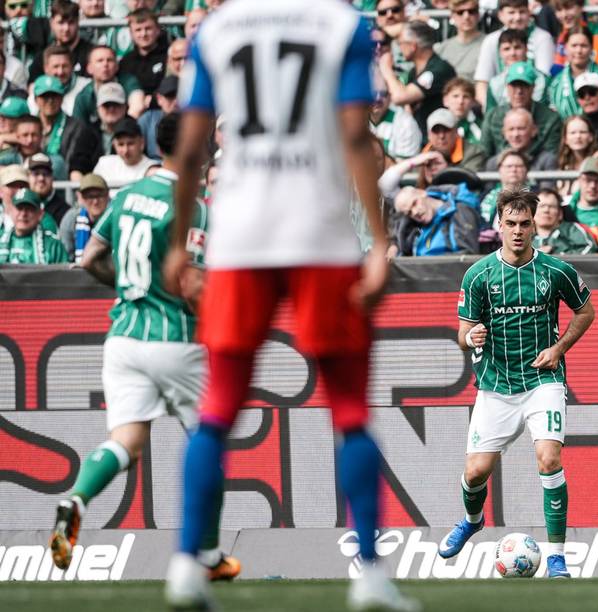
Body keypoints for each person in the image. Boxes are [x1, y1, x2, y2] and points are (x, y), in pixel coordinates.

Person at [161, 1, 414, 609]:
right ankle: (372, 576)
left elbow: (191, 146)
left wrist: (177, 245)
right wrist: (379, 242)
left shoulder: (218, 27)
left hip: (240, 232)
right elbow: (355, 133)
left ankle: (186, 566)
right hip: (319, 231)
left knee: (218, 405)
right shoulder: (343, 24)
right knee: (350, 410)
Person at [48, 113, 240, 584]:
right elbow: (193, 283)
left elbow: (91, 257)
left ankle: (75, 498)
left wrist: (135, 286)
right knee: (208, 444)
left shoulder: (129, 195)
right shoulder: (191, 206)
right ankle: (210, 555)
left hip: (123, 337)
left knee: (127, 442)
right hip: (174, 339)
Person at [440, 187, 595, 579]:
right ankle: (473, 520)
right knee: (475, 473)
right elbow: (462, 331)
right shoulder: (479, 274)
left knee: (549, 458)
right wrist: (471, 335)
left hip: (543, 380)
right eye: (510, 223)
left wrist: (559, 349)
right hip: (494, 386)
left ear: (534, 226)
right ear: (499, 224)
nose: (518, 231)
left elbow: (586, 312)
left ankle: (557, 556)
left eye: (525, 223)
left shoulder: (555, 270)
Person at [378, 20, 457, 136]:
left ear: (413, 46)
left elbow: (400, 97)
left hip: (439, 137)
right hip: (418, 137)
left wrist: (386, 69)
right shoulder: (413, 72)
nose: (399, 48)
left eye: (401, 43)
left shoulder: (439, 69)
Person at [473, 0, 555, 105]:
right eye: (511, 12)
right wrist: (490, 111)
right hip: (500, 103)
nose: (517, 18)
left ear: (529, 12)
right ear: (500, 15)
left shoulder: (543, 37)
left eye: (522, 12)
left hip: (534, 101)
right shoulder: (491, 40)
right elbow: (482, 82)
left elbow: (544, 79)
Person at [481, 66, 562, 160]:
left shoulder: (550, 118)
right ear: (507, 87)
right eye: (514, 86)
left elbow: (551, 155)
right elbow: (484, 153)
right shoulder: (493, 116)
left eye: (524, 86)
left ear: (533, 88)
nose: (519, 91)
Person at [33, 74, 101, 180]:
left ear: (62, 98)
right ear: (35, 99)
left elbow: (75, 162)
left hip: (63, 182)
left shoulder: (77, 127)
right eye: (45, 96)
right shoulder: (29, 126)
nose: (50, 101)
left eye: (54, 96)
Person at [392, 184, 481, 255]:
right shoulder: (412, 226)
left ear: (422, 192)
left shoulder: (460, 211)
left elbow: (467, 256)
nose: (415, 212)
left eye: (414, 203)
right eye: (409, 213)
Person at [71, 45, 145, 129]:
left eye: (109, 60)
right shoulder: (83, 96)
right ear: (89, 68)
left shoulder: (128, 81)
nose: (105, 64)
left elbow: (138, 105)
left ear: (117, 66)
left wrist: (123, 130)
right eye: (100, 61)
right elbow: (77, 128)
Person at [548, 28, 598, 119]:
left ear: (591, 48)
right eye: (574, 46)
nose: (579, 51)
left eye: (584, 46)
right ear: (566, 48)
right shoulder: (556, 83)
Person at [485, 29, 550, 111]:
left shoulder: (543, 80)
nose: (512, 53)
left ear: (526, 49)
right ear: (500, 53)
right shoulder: (494, 84)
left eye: (517, 47)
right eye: (507, 49)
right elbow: (490, 117)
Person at [29, 0, 93, 81]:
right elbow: (32, 87)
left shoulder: (91, 54)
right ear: (52, 23)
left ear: (78, 22)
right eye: (61, 23)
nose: (66, 28)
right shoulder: (42, 56)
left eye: (71, 22)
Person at [0, 187, 68, 263]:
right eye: (19, 208)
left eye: (29, 209)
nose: (23, 214)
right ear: (10, 212)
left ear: (40, 214)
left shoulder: (53, 245)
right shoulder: (1, 238)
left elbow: (64, 274)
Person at [117, 8, 169, 98]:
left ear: (158, 30)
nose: (143, 34)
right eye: (138, 30)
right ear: (131, 34)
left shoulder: (169, 56)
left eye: (148, 28)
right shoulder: (126, 61)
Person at [533, 186, 598, 254]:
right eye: (541, 206)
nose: (546, 210)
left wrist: (558, 256)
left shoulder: (571, 230)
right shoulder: (526, 234)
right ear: (532, 213)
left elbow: (589, 248)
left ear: (560, 214)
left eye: (552, 206)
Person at [551, 0, 598, 76]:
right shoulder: (562, 33)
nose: (564, 14)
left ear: (581, 6)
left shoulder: (597, 32)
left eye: (569, 8)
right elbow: (558, 67)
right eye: (559, 10)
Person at [59, 172, 108, 260]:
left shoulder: (115, 217)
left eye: (99, 195)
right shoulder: (71, 219)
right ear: (80, 198)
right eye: (90, 196)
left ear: (107, 195)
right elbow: (66, 257)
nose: (95, 201)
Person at [93, 116, 156, 185]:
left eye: (130, 144)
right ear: (114, 145)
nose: (125, 150)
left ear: (142, 143)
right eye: (121, 144)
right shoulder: (104, 163)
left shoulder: (153, 169)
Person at [30, 44, 90, 116]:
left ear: (72, 67)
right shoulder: (38, 90)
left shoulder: (86, 87)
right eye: (56, 66)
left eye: (65, 66)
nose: (60, 72)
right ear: (46, 68)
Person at [554, 115, 598, 197]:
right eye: (573, 133)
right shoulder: (562, 165)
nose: (578, 136)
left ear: (591, 137)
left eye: (582, 132)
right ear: (565, 139)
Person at [480, 148, 531, 228]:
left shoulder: (537, 197)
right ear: (500, 169)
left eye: (518, 166)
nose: (513, 169)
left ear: (526, 170)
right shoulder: (485, 196)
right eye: (509, 166)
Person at [423, 107, 486, 171]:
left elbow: (468, 179)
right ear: (429, 135)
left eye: (446, 130)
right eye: (436, 131)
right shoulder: (422, 157)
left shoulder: (473, 153)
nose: (441, 136)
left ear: (456, 132)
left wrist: (443, 169)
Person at [370, 85, 423, 161]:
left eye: (383, 93)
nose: (377, 98)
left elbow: (407, 169)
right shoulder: (353, 119)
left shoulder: (406, 124)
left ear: (390, 95)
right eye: (373, 93)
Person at [434, 0, 483, 81]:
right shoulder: (442, 48)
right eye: (460, 12)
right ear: (452, 16)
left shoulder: (489, 43)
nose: (466, 16)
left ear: (478, 14)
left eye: (471, 11)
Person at [138, 74, 178, 161]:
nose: (176, 101)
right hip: (152, 167)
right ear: (159, 98)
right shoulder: (147, 120)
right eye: (170, 96)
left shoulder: (194, 122)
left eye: (180, 96)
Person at [28, 152, 69, 225]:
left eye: (45, 174)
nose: (41, 178)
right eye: (36, 174)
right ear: (28, 177)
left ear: (52, 177)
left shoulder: (65, 211)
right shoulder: (20, 208)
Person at [442, 77, 481, 144]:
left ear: (473, 101)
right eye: (455, 96)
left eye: (466, 96)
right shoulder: (437, 126)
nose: (460, 101)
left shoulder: (481, 125)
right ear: (445, 100)